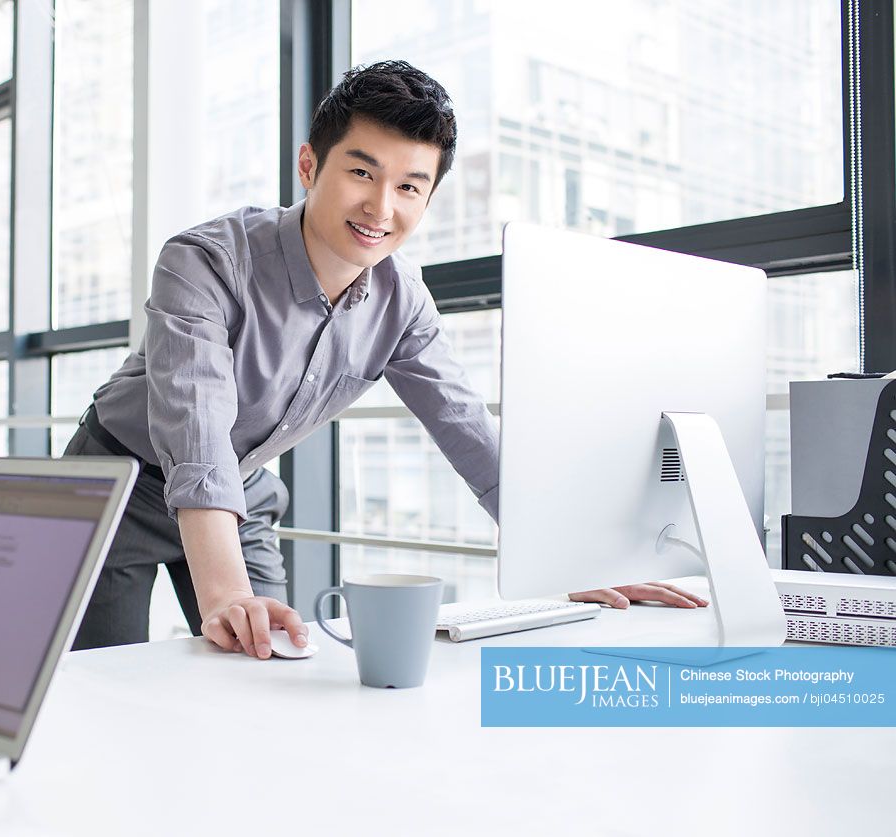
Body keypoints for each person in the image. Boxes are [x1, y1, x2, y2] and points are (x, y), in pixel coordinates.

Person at [64, 60, 707, 659]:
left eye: (409, 186)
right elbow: (195, 425)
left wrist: (579, 562)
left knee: (269, 657)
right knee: (101, 676)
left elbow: (472, 435)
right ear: (310, 165)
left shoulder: (404, 303)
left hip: (244, 484)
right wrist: (225, 594)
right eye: (362, 173)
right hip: (118, 482)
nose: (381, 207)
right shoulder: (205, 260)